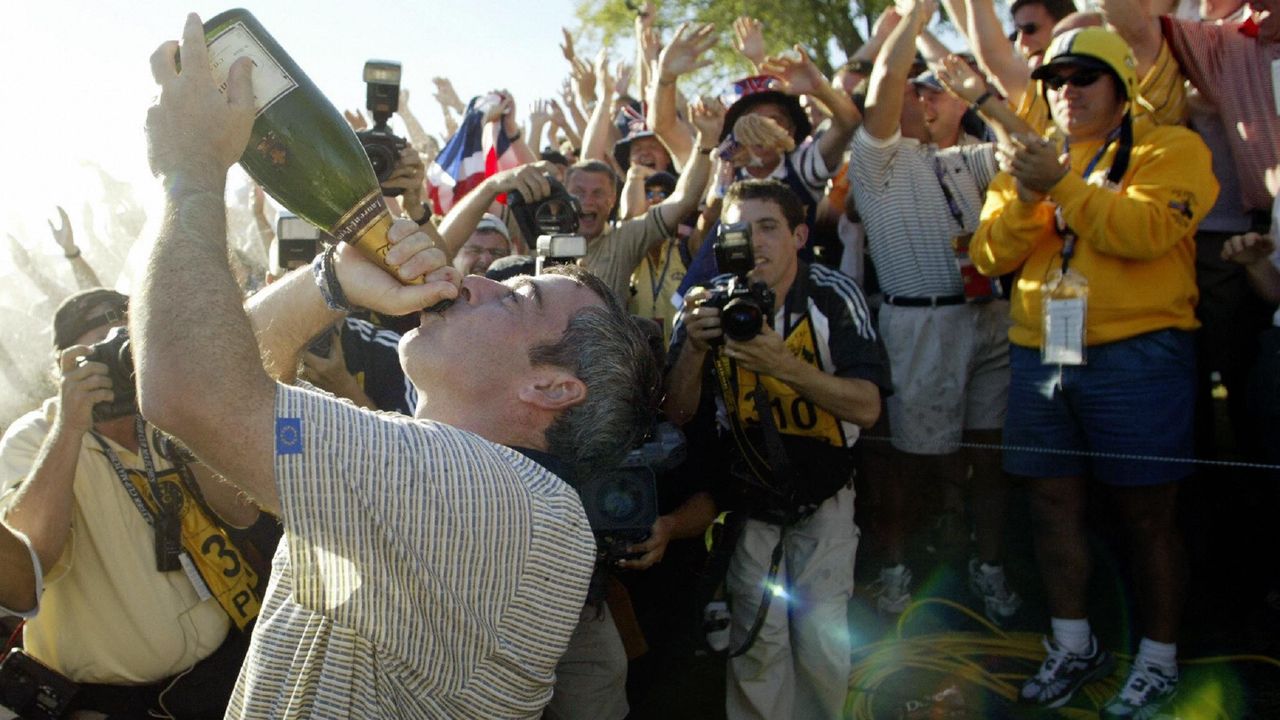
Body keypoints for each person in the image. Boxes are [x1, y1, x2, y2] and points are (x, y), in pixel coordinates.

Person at [135, 15, 660, 718]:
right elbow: (228, 440)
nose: (475, 280)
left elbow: (191, 391)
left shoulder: (498, 499)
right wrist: (328, 281)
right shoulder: (410, 472)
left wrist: (190, 173)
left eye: (518, 297)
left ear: (552, 386)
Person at [970, 27, 1218, 717]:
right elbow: (989, 255)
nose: (1065, 92)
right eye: (1054, 80)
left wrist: (1062, 186)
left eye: (1083, 76)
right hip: (1039, 351)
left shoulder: (1174, 147)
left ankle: (1160, 658)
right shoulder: (1031, 157)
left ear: (1122, 86)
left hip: (1137, 355)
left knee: (1148, 517)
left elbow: (1145, 232)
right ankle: (1073, 644)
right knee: (1050, 507)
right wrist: (1026, 196)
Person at [664, 179, 888, 720]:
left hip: (827, 492)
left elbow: (867, 407)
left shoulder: (832, 293)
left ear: (800, 234)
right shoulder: (706, 304)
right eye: (739, 231)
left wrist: (783, 365)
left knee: (821, 642)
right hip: (747, 499)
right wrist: (694, 348)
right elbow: (676, 412)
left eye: (768, 227)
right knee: (758, 644)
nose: (755, 244)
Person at [0, 288, 265, 718]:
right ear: (63, 370)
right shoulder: (35, 436)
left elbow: (243, 513)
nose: (120, 367)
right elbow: (29, 566)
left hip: (229, 672)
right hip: (120, 705)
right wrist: (69, 428)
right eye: (97, 355)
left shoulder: (168, 410)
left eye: (126, 346)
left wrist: (185, 408)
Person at [849, 0, 1022, 621]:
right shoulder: (874, 164)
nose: (919, 100)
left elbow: (1022, 149)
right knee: (907, 461)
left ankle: (990, 565)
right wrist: (914, 20)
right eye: (912, 91)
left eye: (932, 93)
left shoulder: (961, 159)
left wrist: (985, 98)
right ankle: (897, 570)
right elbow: (882, 89)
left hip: (989, 320)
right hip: (918, 323)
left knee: (988, 454)